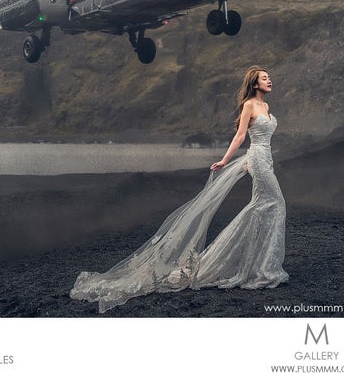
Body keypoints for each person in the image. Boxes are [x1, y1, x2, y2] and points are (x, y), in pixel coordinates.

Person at [70, 66, 288, 313]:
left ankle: (259, 263)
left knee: (264, 206)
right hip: (257, 159)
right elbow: (240, 137)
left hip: (266, 158)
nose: (269, 80)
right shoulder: (249, 104)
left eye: (269, 77)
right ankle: (256, 265)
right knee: (274, 203)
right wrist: (225, 161)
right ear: (255, 83)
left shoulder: (267, 108)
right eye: (264, 78)